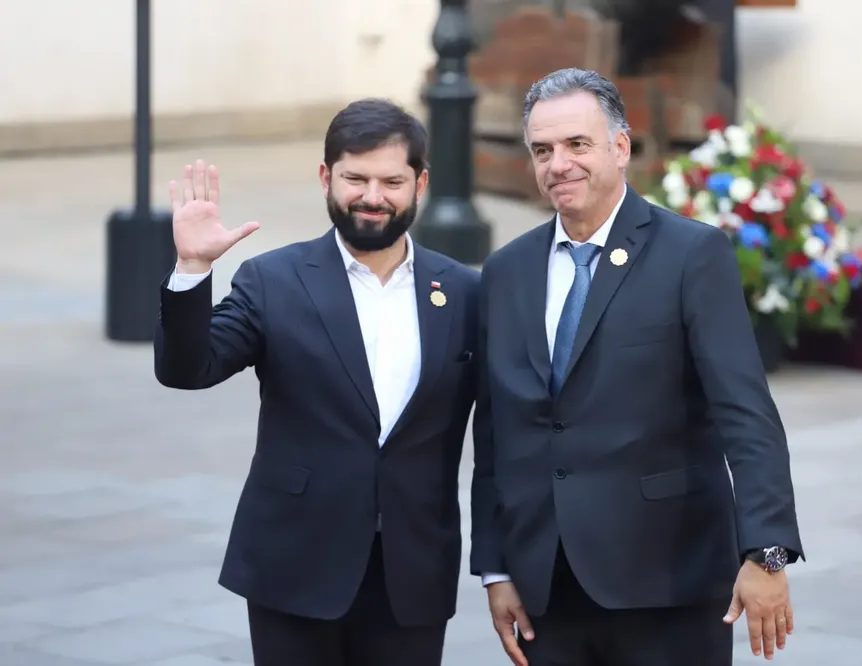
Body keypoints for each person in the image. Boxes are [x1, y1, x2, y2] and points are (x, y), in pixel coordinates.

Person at [470, 68, 804, 666]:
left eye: (578, 144)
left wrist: (767, 553)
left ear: (620, 148)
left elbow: (745, 412)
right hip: (548, 590)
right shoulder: (507, 272)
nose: (559, 164)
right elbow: (497, 435)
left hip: (667, 583)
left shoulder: (692, 255)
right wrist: (496, 567)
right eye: (542, 150)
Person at [154, 98, 480, 666]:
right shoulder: (273, 279)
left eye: (391, 181)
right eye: (355, 178)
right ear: (326, 177)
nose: (372, 197)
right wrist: (192, 271)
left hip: (413, 572)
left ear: (420, 184)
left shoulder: (464, 291)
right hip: (295, 565)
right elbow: (188, 370)